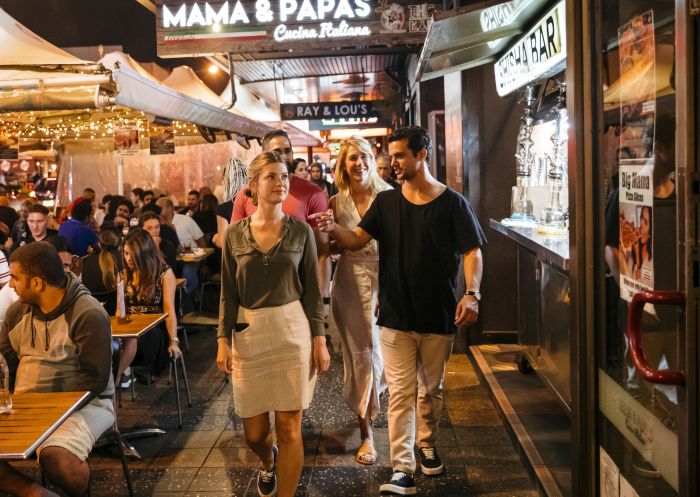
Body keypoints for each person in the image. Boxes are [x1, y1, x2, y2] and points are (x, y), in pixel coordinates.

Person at [313, 126, 486, 495]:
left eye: (401, 156)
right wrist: (333, 228)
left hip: (438, 313)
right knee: (402, 392)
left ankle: (426, 443)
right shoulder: (387, 203)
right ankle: (401, 467)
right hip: (394, 315)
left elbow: (473, 251)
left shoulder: (452, 202)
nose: (393, 164)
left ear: (422, 155)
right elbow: (358, 239)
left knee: (431, 390)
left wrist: (472, 293)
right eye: (390, 157)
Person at [217, 151, 330, 497]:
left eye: (284, 176)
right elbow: (227, 292)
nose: (281, 182)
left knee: (290, 428)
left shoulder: (301, 232)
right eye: (271, 177)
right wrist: (223, 340)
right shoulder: (235, 235)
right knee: (253, 433)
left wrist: (320, 338)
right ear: (252, 186)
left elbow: (312, 291)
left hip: (292, 332)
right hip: (249, 334)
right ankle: (268, 461)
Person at [0, 242, 115, 497]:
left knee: (56, 458)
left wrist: (46, 415)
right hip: (26, 406)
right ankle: (35, 493)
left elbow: (93, 382)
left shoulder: (87, 313)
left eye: (16, 278)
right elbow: (6, 362)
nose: (10, 285)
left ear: (38, 283)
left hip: (87, 406)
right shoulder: (18, 312)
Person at [329, 136, 392, 466]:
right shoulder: (336, 203)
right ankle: (366, 433)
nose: (358, 163)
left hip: (386, 281)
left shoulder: (391, 198)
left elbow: (400, 248)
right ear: (343, 165)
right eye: (351, 158)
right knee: (361, 357)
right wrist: (331, 240)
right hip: (350, 286)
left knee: (386, 356)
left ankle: (384, 414)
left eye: (363, 156)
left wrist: (389, 289)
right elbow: (329, 249)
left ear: (372, 159)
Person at [232, 130, 332, 320]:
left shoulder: (313, 193)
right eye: (279, 151)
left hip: (299, 294)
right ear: (264, 155)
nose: (285, 156)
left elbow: (322, 252)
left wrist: (323, 297)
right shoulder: (246, 194)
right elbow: (234, 251)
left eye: (288, 150)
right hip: (255, 297)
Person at [118, 229, 181, 385]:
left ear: (145, 252)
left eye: (133, 254)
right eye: (126, 253)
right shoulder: (124, 275)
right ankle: (117, 376)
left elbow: (170, 311)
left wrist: (174, 341)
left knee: (132, 338)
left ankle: (115, 378)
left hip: (155, 333)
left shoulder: (164, 274)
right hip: (130, 329)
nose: (128, 258)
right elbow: (120, 311)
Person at [157, 196, 205, 294]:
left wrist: (202, 260)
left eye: (159, 208)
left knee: (187, 273)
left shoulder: (185, 220)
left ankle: (186, 298)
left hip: (190, 258)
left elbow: (202, 242)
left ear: (169, 208)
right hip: (169, 259)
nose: (156, 211)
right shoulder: (156, 225)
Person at [214, 157, 247, 249]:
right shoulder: (258, 202)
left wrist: (215, 238)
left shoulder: (224, 208)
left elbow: (222, 243)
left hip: (237, 260)